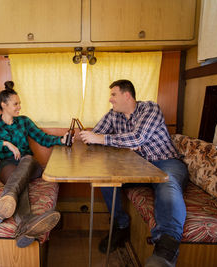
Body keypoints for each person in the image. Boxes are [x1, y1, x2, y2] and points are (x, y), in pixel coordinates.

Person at [79, 80, 188, 267]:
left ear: (127, 95)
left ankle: (165, 251)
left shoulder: (150, 109)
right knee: (105, 180)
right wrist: (81, 136)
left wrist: (101, 138)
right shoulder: (114, 115)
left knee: (167, 184)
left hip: (166, 162)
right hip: (137, 167)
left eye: (113, 94)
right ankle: (121, 226)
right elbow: (95, 135)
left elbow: (138, 138)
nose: (110, 99)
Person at [0, 81, 69, 248]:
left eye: (19, 104)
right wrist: (5, 144)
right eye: (16, 104)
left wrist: (61, 140)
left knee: (26, 160)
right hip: (8, 166)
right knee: (18, 181)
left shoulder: (24, 122)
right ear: (4, 104)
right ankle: (25, 226)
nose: (19, 107)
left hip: (30, 164)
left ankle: (2, 206)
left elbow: (43, 138)